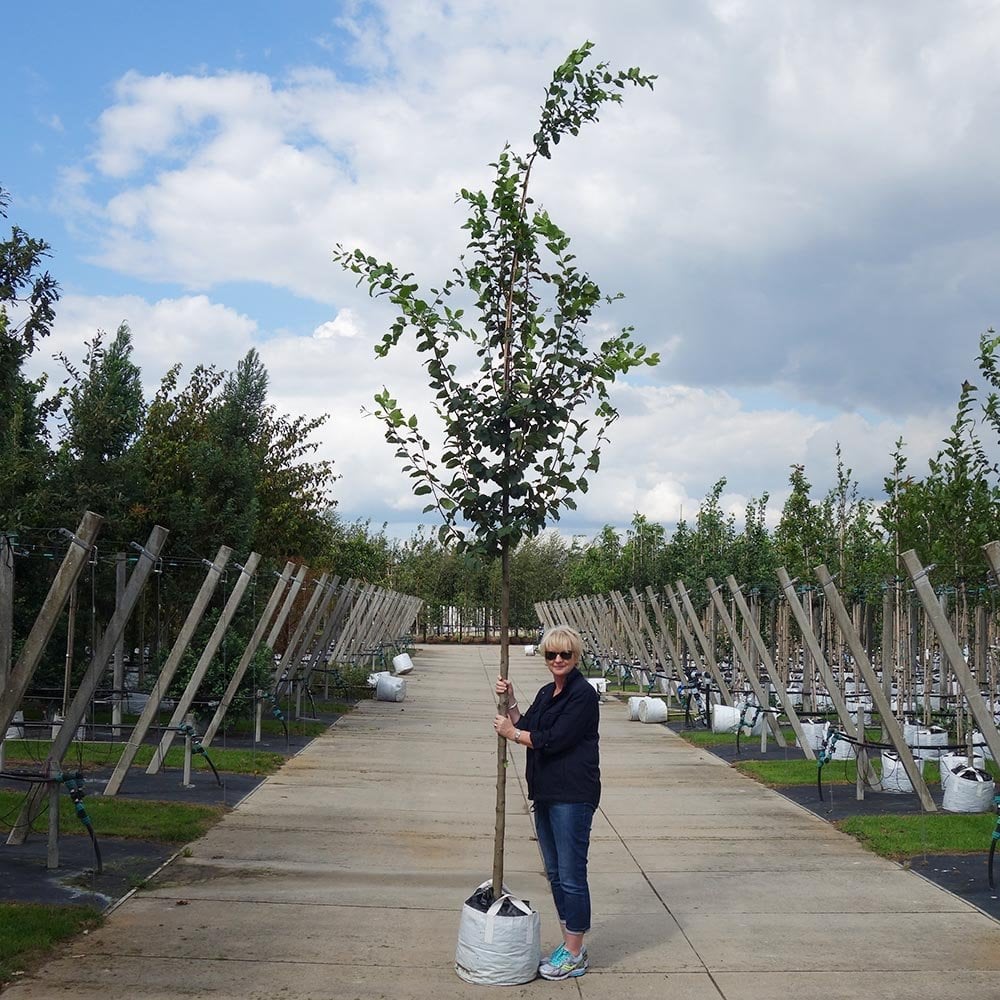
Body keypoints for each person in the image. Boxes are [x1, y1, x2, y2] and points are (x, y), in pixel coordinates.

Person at [493, 624, 600, 981]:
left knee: (571, 874)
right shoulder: (546, 692)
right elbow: (528, 724)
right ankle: (569, 943)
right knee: (554, 872)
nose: (558, 659)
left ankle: (575, 952)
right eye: (551, 654)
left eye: (565, 654)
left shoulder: (582, 695)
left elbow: (553, 739)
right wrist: (510, 702)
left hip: (573, 796)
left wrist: (513, 734)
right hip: (546, 793)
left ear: (576, 656)